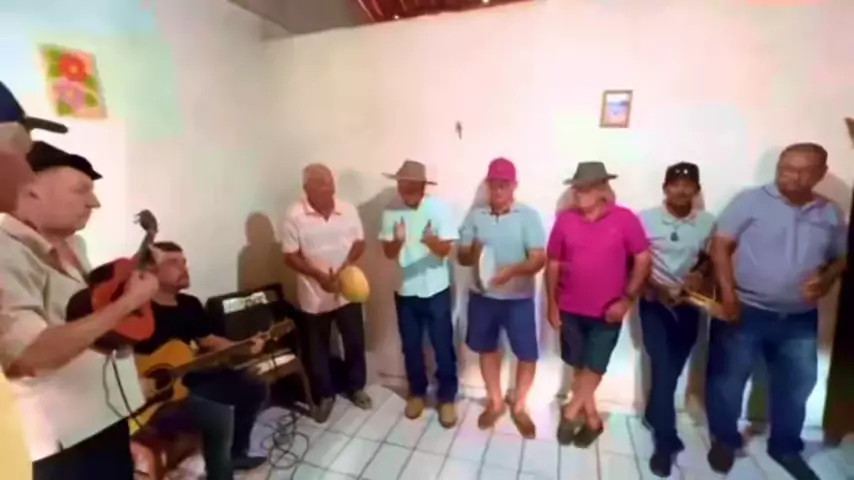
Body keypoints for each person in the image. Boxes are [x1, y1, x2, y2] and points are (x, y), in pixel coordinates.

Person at [0, 140, 159, 479]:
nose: (94, 202)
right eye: (81, 190)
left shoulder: (75, 243)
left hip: (107, 416)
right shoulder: (5, 251)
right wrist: (128, 303)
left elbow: (84, 316)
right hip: (64, 441)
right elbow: (30, 354)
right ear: (32, 190)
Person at [706, 143, 846, 479]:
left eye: (800, 170)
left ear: (820, 174)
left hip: (799, 317)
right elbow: (720, 245)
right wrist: (727, 294)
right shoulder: (750, 201)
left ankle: (785, 447)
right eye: (784, 167)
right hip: (746, 309)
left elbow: (841, 256)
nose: (788, 176)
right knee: (728, 381)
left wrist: (828, 278)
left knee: (797, 384)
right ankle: (725, 440)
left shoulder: (830, 211)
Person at [133, 242, 269, 475]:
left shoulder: (190, 304)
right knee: (219, 415)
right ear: (150, 270)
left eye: (184, 262)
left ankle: (237, 454)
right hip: (156, 396)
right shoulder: (138, 309)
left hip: (189, 380)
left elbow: (210, 341)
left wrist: (244, 348)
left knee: (255, 385)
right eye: (174, 263)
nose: (184, 268)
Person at [545, 161, 651, 447]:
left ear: (603, 188)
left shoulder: (625, 219)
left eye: (586, 188)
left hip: (608, 311)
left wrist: (627, 299)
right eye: (577, 188)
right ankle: (592, 420)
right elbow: (552, 263)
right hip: (569, 307)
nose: (579, 193)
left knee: (595, 366)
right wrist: (551, 305)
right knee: (579, 366)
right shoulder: (565, 220)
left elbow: (643, 259)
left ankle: (570, 412)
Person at [457, 158, 546, 438]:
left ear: (514, 186)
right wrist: (473, 250)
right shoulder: (475, 216)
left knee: (527, 354)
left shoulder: (528, 216)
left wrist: (513, 271)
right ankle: (495, 402)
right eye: (494, 183)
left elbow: (538, 259)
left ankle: (519, 406)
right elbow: (462, 257)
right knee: (487, 349)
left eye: (504, 184)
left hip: (518, 298)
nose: (498, 189)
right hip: (483, 297)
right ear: (488, 184)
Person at [637, 162, 715, 477]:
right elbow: (634, 260)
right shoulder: (645, 219)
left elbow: (709, 259)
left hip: (688, 305)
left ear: (696, 189)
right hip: (654, 303)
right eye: (675, 184)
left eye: (688, 185)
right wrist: (656, 289)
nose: (681, 190)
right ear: (665, 188)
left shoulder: (707, 222)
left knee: (670, 371)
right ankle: (665, 442)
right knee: (664, 369)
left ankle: (652, 415)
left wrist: (698, 275)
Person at [282, 164, 370, 422]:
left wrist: (345, 268)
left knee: (354, 340)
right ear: (306, 188)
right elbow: (289, 256)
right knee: (317, 348)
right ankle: (325, 394)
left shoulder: (348, 209)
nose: (329, 186)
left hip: (346, 290)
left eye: (330, 181)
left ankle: (356, 387)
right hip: (314, 294)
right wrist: (318, 276)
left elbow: (359, 243)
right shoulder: (294, 215)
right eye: (321, 182)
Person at [379, 160, 459, 428]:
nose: (406, 189)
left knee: (443, 346)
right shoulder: (390, 211)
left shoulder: (439, 208)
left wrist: (431, 241)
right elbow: (387, 253)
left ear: (423, 186)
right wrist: (397, 241)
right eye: (403, 184)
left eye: (412, 185)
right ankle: (417, 393)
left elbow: (447, 250)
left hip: (436, 289)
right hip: (405, 291)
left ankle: (447, 398)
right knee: (411, 346)